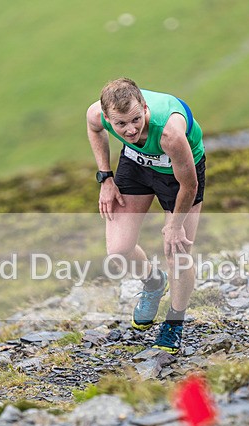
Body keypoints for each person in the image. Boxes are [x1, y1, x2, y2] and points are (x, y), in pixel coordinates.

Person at [86, 78, 206, 355]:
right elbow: (94, 129)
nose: (130, 130)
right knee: (118, 250)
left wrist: (174, 225)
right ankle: (153, 282)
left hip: (178, 174)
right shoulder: (97, 114)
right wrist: (105, 177)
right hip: (136, 164)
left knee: (178, 251)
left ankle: (174, 321)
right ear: (108, 118)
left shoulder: (170, 133)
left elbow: (190, 186)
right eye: (120, 124)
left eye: (136, 120)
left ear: (144, 107)